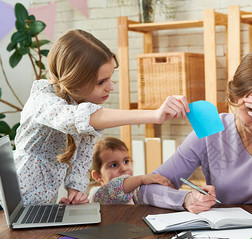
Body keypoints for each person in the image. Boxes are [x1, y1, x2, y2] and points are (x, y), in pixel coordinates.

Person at [139, 49, 252, 217]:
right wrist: (186, 198)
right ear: (233, 98)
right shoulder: (211, 129)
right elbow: (148, 189)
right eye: (250, 109)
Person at [14, 29, 189, 206]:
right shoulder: (43, 100)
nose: (110, 87)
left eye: (110, 79)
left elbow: (83, 154)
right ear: (74, 81)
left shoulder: (80, 103)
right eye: (101, 82)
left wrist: (75, 188)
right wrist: (155, 115)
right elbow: (79, 118)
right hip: (14, 201)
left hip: (40, 203)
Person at [89, 137, 173, 204]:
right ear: (98, 176)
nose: (124, 168)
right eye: (113, 165)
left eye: (126, 161)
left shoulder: (134, 191)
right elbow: (116, 187)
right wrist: (141, 179)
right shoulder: (97, 194)